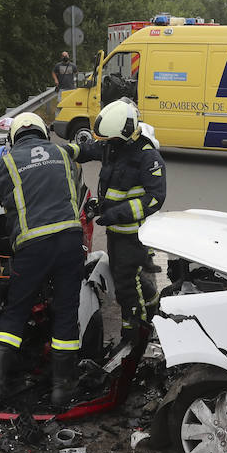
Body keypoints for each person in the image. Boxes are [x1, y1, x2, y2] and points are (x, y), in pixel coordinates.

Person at [0, 112, 86, 406]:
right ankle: (62, 390)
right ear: (43, 134)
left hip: (34, 246)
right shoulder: (62, 153)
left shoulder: (8, 161)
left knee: (16, 311)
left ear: (13, 138)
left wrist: (2, 171)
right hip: (71, 241)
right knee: (66, 311)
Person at [67, 98, 166, 343]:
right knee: (128, 276)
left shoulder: (148, 158)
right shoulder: (114, 147)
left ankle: (135, 333)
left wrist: (116, 213)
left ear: (125, 134)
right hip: (115, 229)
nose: (105, 144)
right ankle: (152, 304)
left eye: (109, 140)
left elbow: (155, 198)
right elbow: (88, 150)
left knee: (126, 287)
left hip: (133, 234)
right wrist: (63, 151)